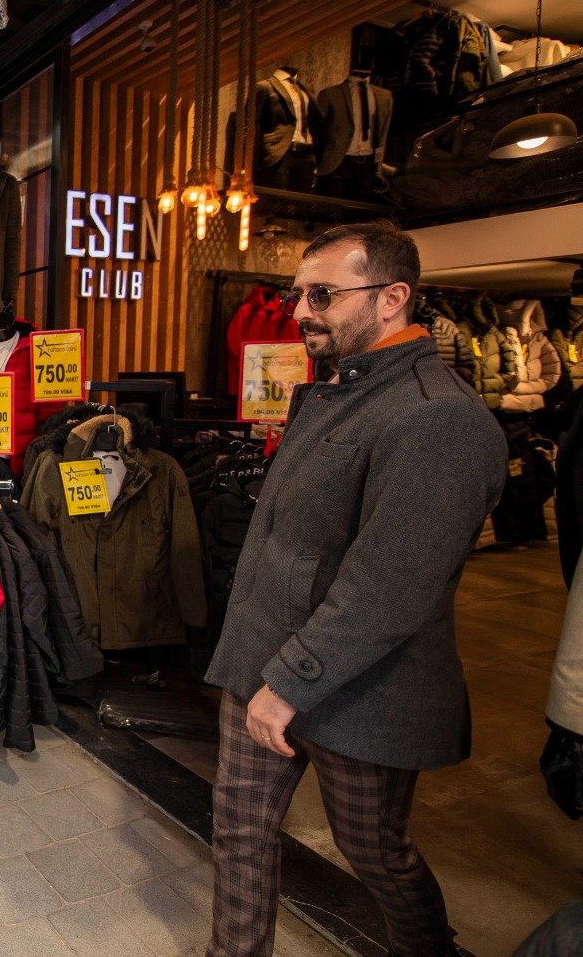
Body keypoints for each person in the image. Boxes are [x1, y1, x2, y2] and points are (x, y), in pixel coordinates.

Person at [203, 223, 507, 957]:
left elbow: (391, 584)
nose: (301, 310)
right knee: (240, 831)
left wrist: (293, 679)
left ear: (393, 298)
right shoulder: (338, 390)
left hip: (359, 687)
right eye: (297, 294)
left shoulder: (439, 417)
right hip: (261, 666)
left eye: (322, 294)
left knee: (375, 851)